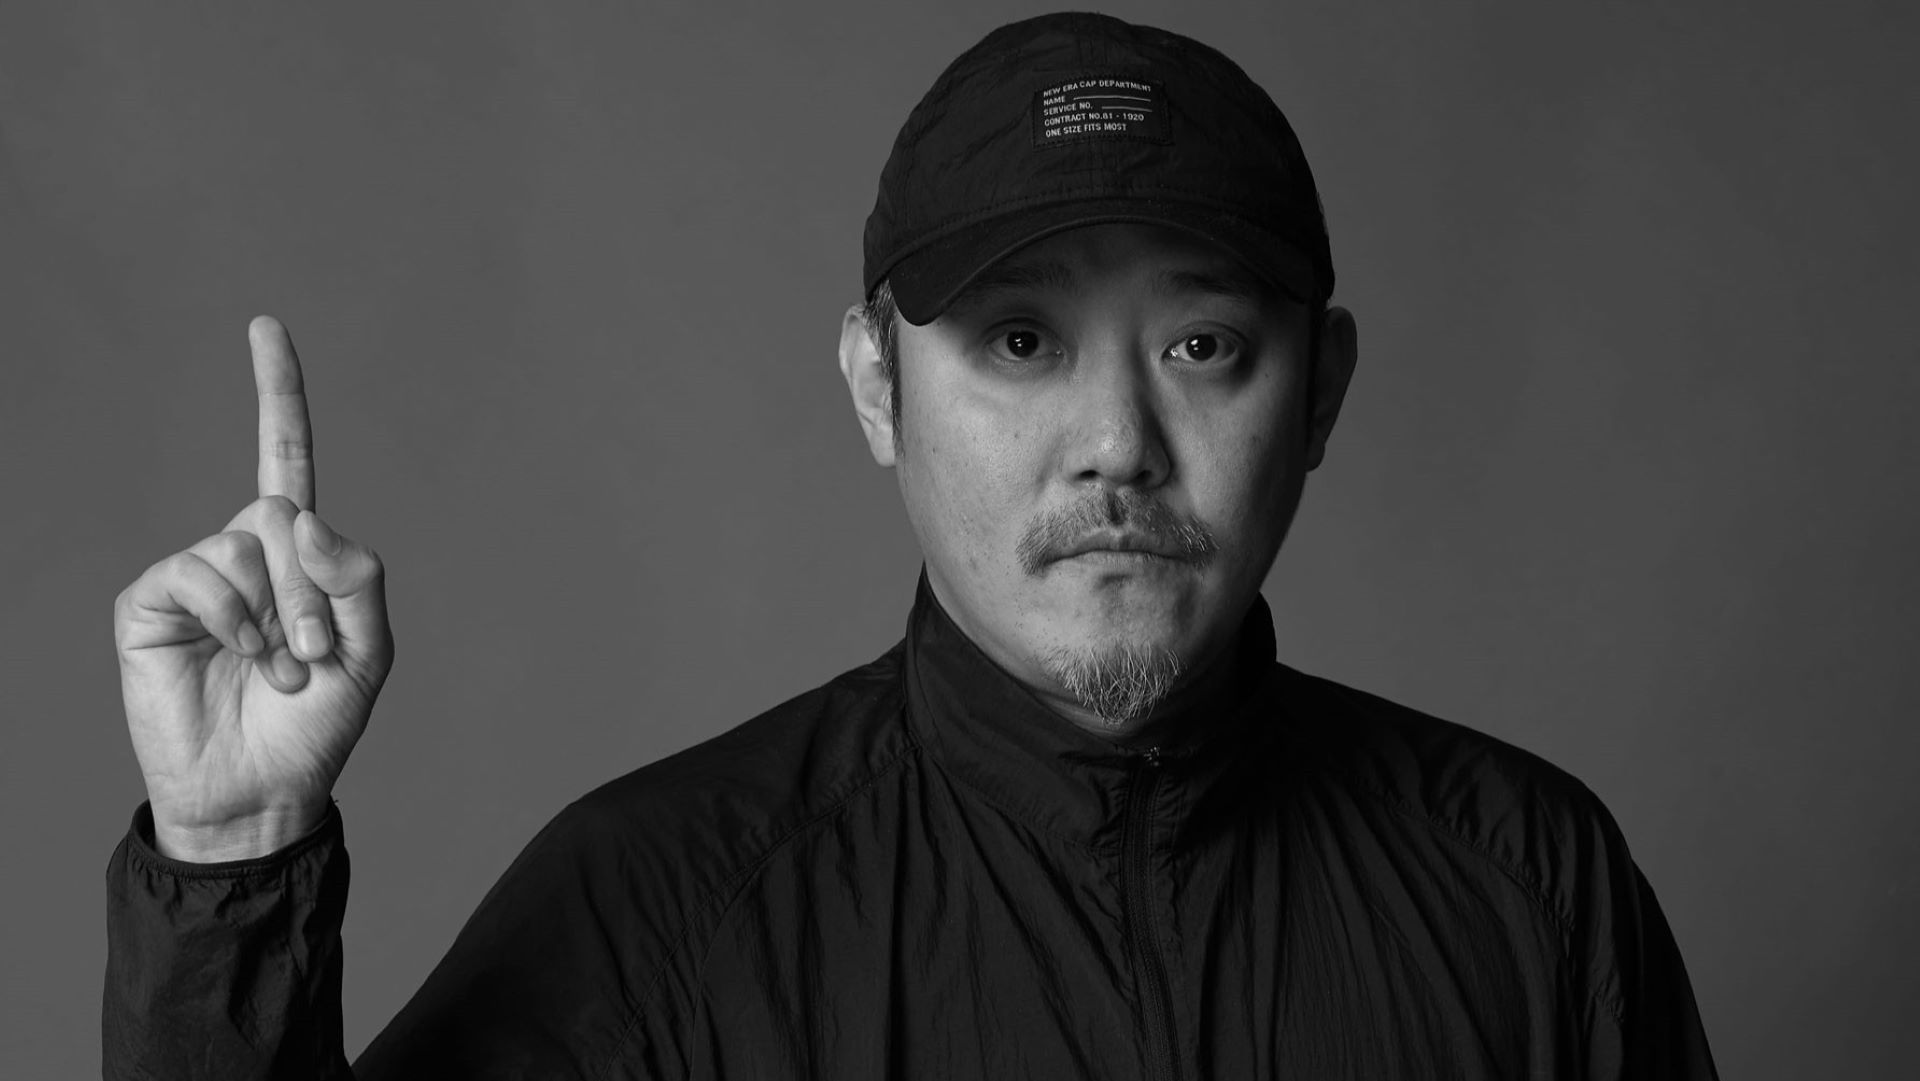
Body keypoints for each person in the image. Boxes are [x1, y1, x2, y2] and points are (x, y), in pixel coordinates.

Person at [103, 12, 1719, 1080]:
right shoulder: (658, 910)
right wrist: (229, 862)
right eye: (1020, 342)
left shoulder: (1531, 887)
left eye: (1204, 346)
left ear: (1323, 393)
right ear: (877, 386)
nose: (1116, 440)